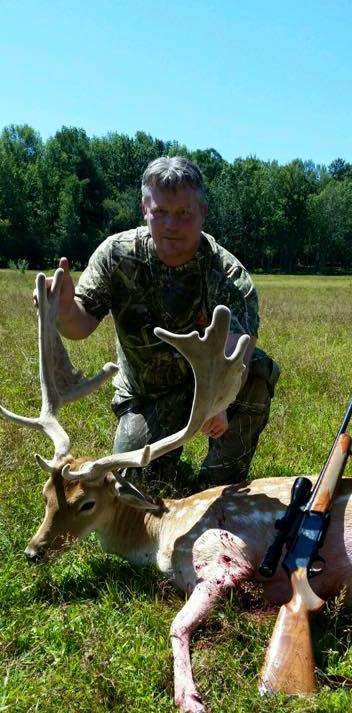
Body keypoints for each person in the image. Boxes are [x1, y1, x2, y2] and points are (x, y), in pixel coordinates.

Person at [49, 155, 279, 493]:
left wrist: (220, 401)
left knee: (257, 370)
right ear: (145, 209)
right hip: (146, 397)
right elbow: (78, 327)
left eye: (184, 214)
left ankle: (219, 483)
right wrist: (64, 309)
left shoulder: (227, 274)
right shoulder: (117, 256)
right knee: (131, 493)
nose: (171, 224)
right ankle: (162, 461)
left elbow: (238, 351)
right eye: (160, 212)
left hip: (208, 387)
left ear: (203, 213)